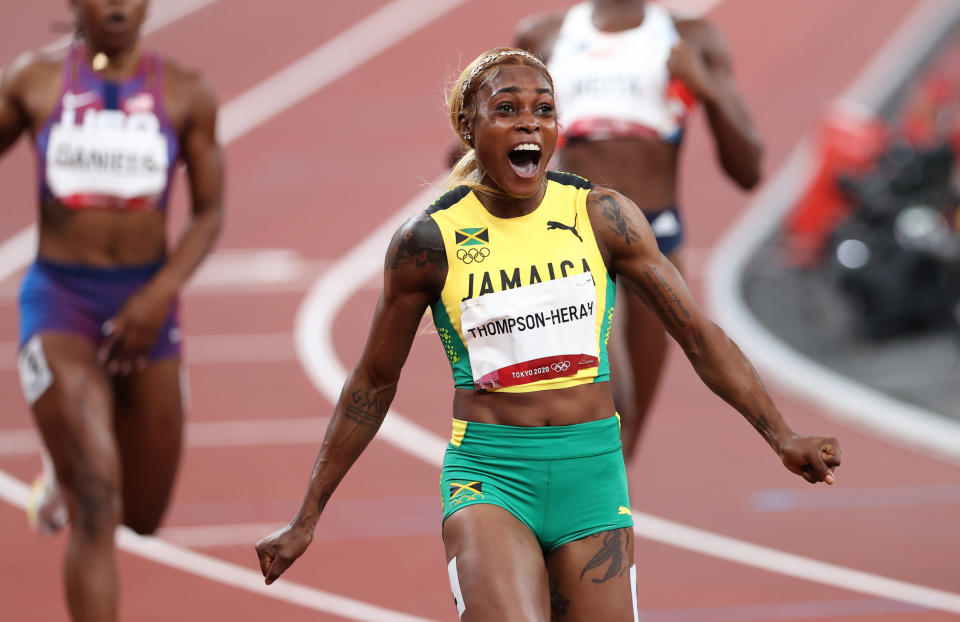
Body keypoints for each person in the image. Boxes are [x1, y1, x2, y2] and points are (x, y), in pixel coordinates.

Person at [255, 48, 837, 621]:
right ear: (468, 125)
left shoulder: (603, 217)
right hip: (491, 478)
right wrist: (307, 516)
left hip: (593, 475)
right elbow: (374, 382)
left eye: (544, 108)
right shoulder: (427, 243)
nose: (529, 121)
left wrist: (782, 436)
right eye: (506, 108)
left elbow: (699, 336)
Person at [0, 0, 223, 619]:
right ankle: (71, 460)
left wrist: (158, 297)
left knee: (143, 515)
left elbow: (209, 212)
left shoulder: (186, 92)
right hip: (59, 303)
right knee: (96, 497)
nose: (118, 4)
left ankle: (62, 460)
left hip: (147, 309)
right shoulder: (33, 82)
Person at [515, 0, 764, 460]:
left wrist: (706, 87)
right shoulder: (543, 36)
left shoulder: (691, 37)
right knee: (611, 405)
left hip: (656, 238)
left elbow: (748, 169)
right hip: (573, 235)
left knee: (625, 443)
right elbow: (492, 137)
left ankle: (598, 528)